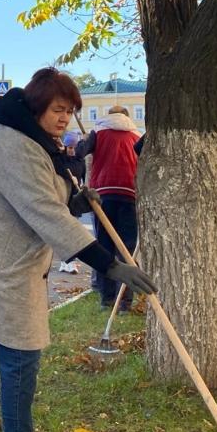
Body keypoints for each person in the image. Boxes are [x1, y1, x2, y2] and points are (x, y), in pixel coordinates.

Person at [0, 69, 156, 432]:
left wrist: (77, 199)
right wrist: (109, 265)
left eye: (70, 111)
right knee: (18, 355)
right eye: (58, 110)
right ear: (38, 106)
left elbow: (47, 197)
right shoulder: (11, 143)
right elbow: (43, 211)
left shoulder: (34, 139)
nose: (65, 119)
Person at [74, 104, 142, 309]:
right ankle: (125, 302)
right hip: (129, 194)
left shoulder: (99, 132)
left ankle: (107, 298)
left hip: (102, 195)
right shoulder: (136, 136)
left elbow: (79, 152)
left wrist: (85, 142)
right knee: (126, 249)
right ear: (128, 117)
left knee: (104, 248)